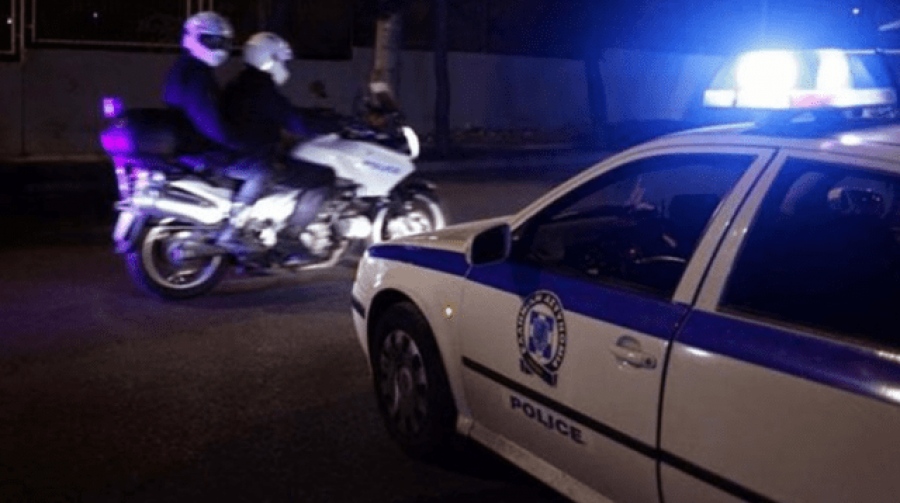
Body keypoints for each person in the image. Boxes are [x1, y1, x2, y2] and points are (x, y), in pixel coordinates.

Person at [221, 32, 335, 261]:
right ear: (269, 59)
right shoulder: (262, 89)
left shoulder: (242, 83)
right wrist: (333, 124)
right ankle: (290, 239)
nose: (285, 66)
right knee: (323, 177)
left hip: (238, 153)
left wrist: (313, 115)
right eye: (282, 60)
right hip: (254, 157)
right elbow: (294, 121)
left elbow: (285, 112)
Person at [163, 11, 271, 253]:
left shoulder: (184, 68)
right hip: (200, 148)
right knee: (262, 170)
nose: (219, 48)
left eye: (223, 42)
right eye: (211, 41)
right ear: (192, 38)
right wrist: (236, 141)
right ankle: (232, 232)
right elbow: (208, 121)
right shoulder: (196, 75)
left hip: (190, 143)